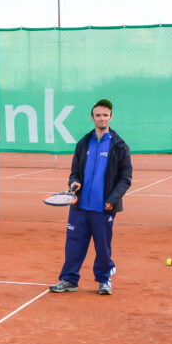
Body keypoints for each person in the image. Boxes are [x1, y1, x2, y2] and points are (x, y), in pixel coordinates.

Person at [49, 99, 133, 295]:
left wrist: (112, 200)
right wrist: (74, 183)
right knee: (73, 244)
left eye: (105, 115)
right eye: (98, 115)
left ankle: (104, 280)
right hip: (79, 206)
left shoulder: (120, 146)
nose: (101, 118)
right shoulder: (83, 143)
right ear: (92, 117)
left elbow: (125, 178)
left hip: (103, 208)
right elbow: (75, 172)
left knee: (103, 248)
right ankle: (69, 279)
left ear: (111, 117)